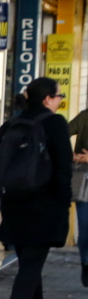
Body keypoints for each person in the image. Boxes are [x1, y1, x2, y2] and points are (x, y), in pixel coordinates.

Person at [0, 77, 72, 299]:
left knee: (29, 259)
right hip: (45, 203)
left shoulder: (11, 123)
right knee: (32, 262)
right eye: (59, 96)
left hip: (13, 202)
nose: (60, 100)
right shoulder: (55, 123)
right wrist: (64, 202)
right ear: (48, 99)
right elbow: (63, 167)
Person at [63, 105, 88, 285]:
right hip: (85, 180)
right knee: (85, 228)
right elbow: (62, 133)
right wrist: (70, 155)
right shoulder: (85, 116)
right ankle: (86, 263)